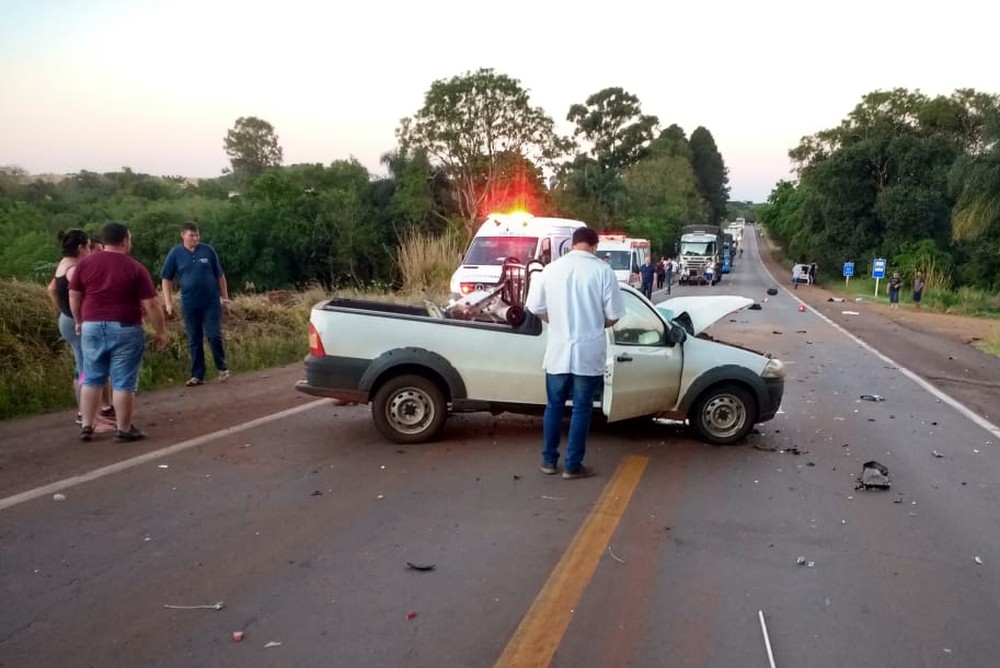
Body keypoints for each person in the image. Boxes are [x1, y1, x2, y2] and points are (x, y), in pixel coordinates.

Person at [525, 226, 625, 479]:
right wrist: (594, 323)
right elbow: (614, 316)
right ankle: (572, 465)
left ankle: (548, 462)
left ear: (572, 243)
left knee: (554, 406)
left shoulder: (551, 270)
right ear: (594, 245)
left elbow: (534, 306)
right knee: (581, 408)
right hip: (588, 351)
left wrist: (556, 321)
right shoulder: (603, 271)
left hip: (558, 350)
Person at [69, 222, 167, 442]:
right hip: (125, 327)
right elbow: (151, 304)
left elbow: (74, 295)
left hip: (91, 325)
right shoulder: (134, 267)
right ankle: (123, 428)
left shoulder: (85, 264)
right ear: (124, 240)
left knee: (91, 377)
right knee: (123, 380)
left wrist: (78, 320)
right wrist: (160, 331)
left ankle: (87, 425)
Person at [161, 221, 232, 387]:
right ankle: (197, 375)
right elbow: (166, 278)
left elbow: (220, 275)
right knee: (194, 338)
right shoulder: (176, 253)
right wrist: (168, 302)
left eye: (197, 235)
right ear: (183, 235)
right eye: (191, 235)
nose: (195, 238)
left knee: (213, 335)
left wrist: (225, 298)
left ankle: (222, 367)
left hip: (211, 301)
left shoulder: (208, 250)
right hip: (189, 302)